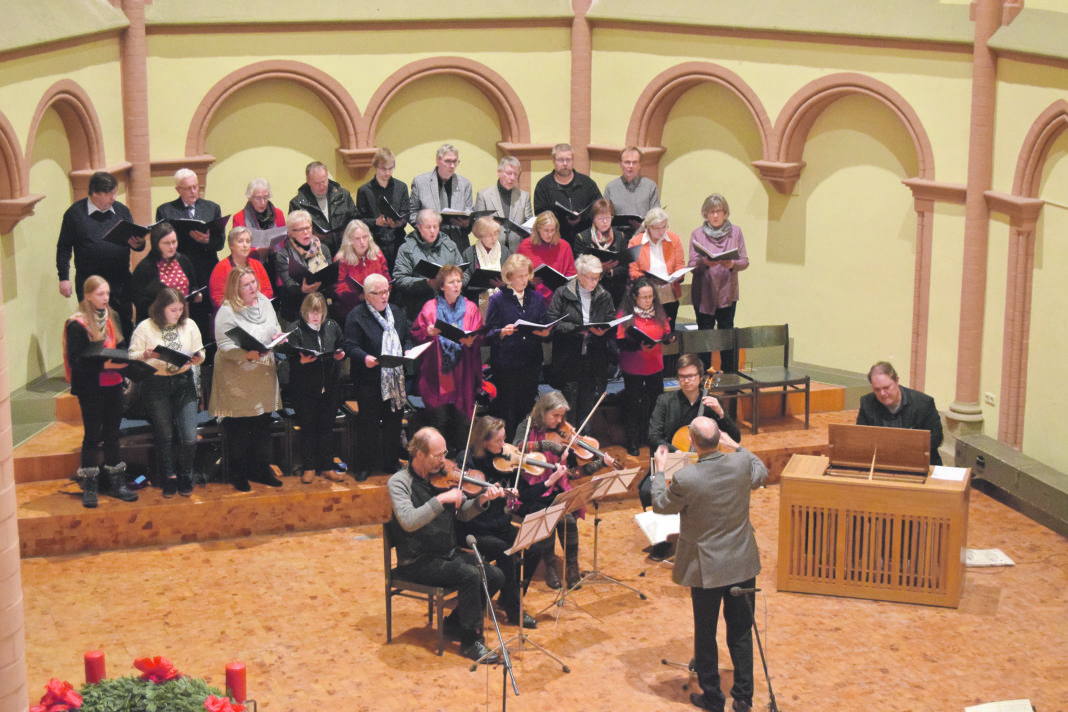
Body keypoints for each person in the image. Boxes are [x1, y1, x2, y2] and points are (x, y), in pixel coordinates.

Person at [650, 416, 768, 712]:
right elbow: (761, 470)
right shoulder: (740, 464)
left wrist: (659, 470)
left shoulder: (687, 477)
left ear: (691, 442)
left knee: (706, 632)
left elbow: (662, 505)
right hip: (741, 561)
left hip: (706, 566)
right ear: (720, 438)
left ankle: (713, 697)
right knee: (741, 631)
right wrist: (737, 446)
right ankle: (743, 698)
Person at [388, 426, 506, 663]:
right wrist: (440, 500)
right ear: (419, 454)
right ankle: (471, 643)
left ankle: (453, 623)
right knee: (471, 575)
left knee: (494, 575)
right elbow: (409, 521)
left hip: (445, 553)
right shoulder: (399, 483)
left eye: (444, 454)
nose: (444, 461)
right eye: (437, 455)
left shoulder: (442, 478)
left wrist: (481, 500)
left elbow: (462, 514)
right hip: (416, 560)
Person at [513, 391, 613, 590]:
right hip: (531, 490)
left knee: (568, 520)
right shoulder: (527, 427)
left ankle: (572, 569)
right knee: (549, 517)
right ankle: (550, 568)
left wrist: (601, 464)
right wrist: (548, 445)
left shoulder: (564, 433)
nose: (559, 421)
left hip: (557, 488)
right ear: (543, 412)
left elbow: (574, 473)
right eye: (555, 416)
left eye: (561, 417)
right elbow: (518, 448)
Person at [63, 275, 139, 507]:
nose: (106, 298)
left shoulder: (111, 316)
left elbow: (117, 348)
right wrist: (103, 365)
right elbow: (77, 361)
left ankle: (117, 484)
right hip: (92, 388)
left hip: (113, 384)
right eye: (100, 294)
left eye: (107, 293)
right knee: (93, 436)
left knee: (112, 434)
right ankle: (90, 487)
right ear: (87, 295)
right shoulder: (77, 323)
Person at [456, 416, 538, 629]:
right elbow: (462, 506)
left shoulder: (504, 459)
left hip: (498, 524)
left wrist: (512, 492)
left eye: (504, 439)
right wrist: (483, 497)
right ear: (484, 441)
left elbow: (523, 492)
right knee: (506, 551)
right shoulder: (467, 460)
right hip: (473, 528)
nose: (504, 446)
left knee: (533, 546)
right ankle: (513, 610)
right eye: (499, 441)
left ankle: (509, 596)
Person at [210, 267, 285, 492]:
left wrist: (278, 337)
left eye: (254, 282)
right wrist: (245, 354)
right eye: (247, 285)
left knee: (262, 425)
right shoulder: (227, 310)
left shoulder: (264, 301)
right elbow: (223, 345)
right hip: (238, 376)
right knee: (240, 429)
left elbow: (275, 327)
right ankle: (238, 473)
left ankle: (260, 469)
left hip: (262, 375)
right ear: (236, 288)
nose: (253, 287)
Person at [641, 353, 742, 518]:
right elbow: (653, 436)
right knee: (647, 491)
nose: (686, 381)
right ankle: (661, 539)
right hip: (671, 462)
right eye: (681, 377)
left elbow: (735, 437)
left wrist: (721, 413)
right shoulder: (665, 401)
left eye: (690, 376)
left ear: (701, 377)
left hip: (706, 465)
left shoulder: (712, 403)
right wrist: (677, 452)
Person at [128, 288, 205, 497]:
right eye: (173, 309)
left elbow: (201, 351)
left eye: (181, 309)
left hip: (183, 382)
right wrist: (145, 354)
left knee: (189, 436)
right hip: (156, 384)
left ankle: (186, 474)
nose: (178, 313)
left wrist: (198, 358)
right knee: (165, 434)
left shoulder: (189, 325)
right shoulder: (146, 327)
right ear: (161, 309)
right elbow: (131, 356)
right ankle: (170, 476)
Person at [56, 170, 145, 339]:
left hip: (120, 280)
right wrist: (64, 277)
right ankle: (100, 362)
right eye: (109, 194)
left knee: (124, 321)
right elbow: (64, 247)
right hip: (90, 280)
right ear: (95, 193)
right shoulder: (75, 214)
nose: (113, 198)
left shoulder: (121, 211)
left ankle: (125, 360)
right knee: (95, 324)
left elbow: (136, 242)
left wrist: (139, 244)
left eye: (115, 193)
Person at [343, 273, 411, 482]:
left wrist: (407, 350)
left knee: (393, 422)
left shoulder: (397, 313)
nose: (384, 296)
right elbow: (349, 345)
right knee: (368, 425)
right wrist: (365, 358)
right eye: (378, 293)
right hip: (369, 380)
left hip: (395, 379)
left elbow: (406, 336)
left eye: (386, 291)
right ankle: (365, 465)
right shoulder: (357, 316)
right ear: (366, 295)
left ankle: (390, 461)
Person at [411, 265, 484, 452]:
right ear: (442, 286)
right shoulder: (430, 308)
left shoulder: (471, 308)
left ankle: (462, 462)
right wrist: (427, 331)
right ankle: (437, 460)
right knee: (439, 420)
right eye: (451, 282)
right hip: (439, 373)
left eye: (459, 281)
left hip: (463, 370)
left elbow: (479, 335)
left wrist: (472, 340)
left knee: (463, 420)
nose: (456, 285)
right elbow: (416, 333)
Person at [484, 253, 551, 440]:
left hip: (530, 361)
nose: (523, 279)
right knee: (507, 410)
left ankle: (523, 446)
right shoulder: (497, 300)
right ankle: (505, 448)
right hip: (506, 363)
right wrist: (501, 332)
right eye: (519, 276)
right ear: (509, 277)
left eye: (526, 275)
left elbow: (545, 324)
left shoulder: (536, 298)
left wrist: (546, 333)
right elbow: (488, 334)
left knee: (526, 407)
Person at [282, 293, 347, 484]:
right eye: (312, 312)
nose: (315, 316)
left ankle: (327, 466)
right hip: (305, 389)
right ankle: (309, 467)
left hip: (330, 386)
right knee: (309, 428)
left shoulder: (332, 327)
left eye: (319, 312)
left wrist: (340, 354)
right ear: (305, 312)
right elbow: (289, 359)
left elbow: (341, 346)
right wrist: (300, 361)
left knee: (326, 427)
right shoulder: (295, 330)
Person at [547, 254, 617, 429]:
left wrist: (603, 331)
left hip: (594, 358)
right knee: (568, 406)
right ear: (579, 275)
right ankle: (567, 450)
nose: (595, 282)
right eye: (591, 278)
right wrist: (576, 329)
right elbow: (553, 323)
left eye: (597, 277)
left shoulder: (604, 295)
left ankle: (585, 449)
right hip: (569, 357)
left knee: (588, 406)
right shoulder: (563, 293)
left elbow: (611, 322)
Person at [154, 169, 224, 329]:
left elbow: (220, 243)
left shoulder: (212, 208)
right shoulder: (166, 211)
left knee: (206, 315)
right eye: (188, 188)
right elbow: (160, 242)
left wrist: (207, 240)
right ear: (178, 189)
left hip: (206, 268)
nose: (194, 192)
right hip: (180, 269)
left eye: (196, 187)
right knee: (180, 315)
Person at [688, 193, 749, 373]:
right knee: (705, 336)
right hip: (704, 292)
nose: (715, 215)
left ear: (725, 213)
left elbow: (745, 261)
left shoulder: (735, 232)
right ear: (705, 214)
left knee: (726, 335)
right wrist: (704, 263)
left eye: (719, 211)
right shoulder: (697, 234)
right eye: (711, 212)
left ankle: (730, 376)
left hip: (727, 292)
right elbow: (691, 265)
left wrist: (732, 264)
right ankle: (704, 376)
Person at [616, 278, 674, 456]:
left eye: (651, 297)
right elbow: (619, 341)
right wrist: (636, 346)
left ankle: (654, 440)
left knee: (656, 406)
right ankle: (633, 441)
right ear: (634, 297)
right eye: (644, 297)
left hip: (655, 366)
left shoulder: (658, 312)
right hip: (633, 366)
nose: (648, 300)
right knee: (633, 405)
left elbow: (666, 331)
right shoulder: (625, 314)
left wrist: (670, 338)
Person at [857, 361, 944, 465]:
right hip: (882, 463)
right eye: (877, 390)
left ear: (897, 381)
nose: (883, 394)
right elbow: (861, 439)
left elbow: (936, 438)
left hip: (918, 463)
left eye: (886, 387)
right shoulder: (867, 403)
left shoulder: (923, 403)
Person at [392, 208, 464, 320]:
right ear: (419, 227)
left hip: (450, 306)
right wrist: (426, 283)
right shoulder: (407, 248)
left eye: (435, 227)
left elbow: (463, 271)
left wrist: (455, 282)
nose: (432, 231)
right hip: (419, 308)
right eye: (428, 227)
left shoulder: (449, 245)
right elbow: (399, 279)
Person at [532, 143, 602, 247]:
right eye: (560, 160)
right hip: (554, 242)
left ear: (573, 161)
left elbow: (599, 209)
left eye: (568, 160)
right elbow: (540, 215)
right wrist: (561, 219)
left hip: (584, 242)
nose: (565, 164)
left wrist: (581, 217)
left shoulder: (587, 183)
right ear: (553, 161)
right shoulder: (544, 185)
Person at [408, 143, 474, 252]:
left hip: (457, 244)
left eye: (455, 161)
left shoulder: (465, 184)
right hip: (428, 245)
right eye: (448, 161)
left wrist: (467, 223)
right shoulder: (420, 182)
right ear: (437, 161)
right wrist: (426, 226)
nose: (452, 166)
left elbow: (470, 213)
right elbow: (412, 213)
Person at [628, 207, 687, 328]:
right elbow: (633, 270)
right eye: (657, 228)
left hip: (669, 293)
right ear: (648, 226)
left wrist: (679, 275)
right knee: (649, 331)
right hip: (646, 294)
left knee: (668, 332)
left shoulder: (674, 239)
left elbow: (680, 264)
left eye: (664, 227)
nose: (661, 232)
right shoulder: (635, 242)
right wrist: (648, 281)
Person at [130, 222, 199, 323]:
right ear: (156, 244)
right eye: (166, 243)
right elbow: (139, 301)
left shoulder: (184, 261)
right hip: (157, 323)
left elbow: (193, 285)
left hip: (184, 319)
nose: (172, 247)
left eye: (174, 242)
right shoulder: (144, 268)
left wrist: (195, 293)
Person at [354, 147, 409, 272]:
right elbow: (359, 220)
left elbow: (406, 214)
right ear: (375, 167)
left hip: (397, 242)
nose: (387, 173)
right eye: (383, 169)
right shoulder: (364, 190)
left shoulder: (401, 187)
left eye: (391, 168)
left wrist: (399, 222)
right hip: (375, 244)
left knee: (398, 280)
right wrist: (375, 222)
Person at [275, 209, 333, 325]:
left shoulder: (323, 248)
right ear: (291, 233)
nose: (306, 232)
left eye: (308, 227)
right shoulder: (284, 254)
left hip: (322, 303)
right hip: (297, 307)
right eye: (301, 229)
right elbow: (289, 284)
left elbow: (330, 274)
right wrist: (302, 289)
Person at [288, 161, 357, 254]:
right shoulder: (297, 204)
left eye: (324, 181)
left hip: (346, 250)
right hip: (317, 255)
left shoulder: (343, 196)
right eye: (317, 183)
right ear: (308, 181)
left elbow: (356, 221)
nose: (322, 186)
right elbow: (294, 236)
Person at [574, 198, 630, 307]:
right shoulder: (582, 238)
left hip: (616, 289)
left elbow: (625, 265)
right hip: (591, 289)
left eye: (608, 217)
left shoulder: (620, 236)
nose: (605, 222)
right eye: (600, 218)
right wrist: (599, 268)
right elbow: (579, 266)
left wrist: (610, 271)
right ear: (593, 219)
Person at [332, 218, 389, 324]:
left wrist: (382, 293)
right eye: (357, 239)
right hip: (353, 308)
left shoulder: (377, 254)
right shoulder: (341, 259)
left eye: (365, 237)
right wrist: (359, 297)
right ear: (349, 241)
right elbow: (339, 288)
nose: (362, 242)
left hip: (378, 304)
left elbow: (386, 278)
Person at [474, 156, 533, 251]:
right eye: (509, 173)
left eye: (515, 174)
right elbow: (478, 226)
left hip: (517, 251)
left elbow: (529, 226)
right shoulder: (484, 195)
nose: (512, 178)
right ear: (499, 173)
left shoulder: (524, 197)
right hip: (491, 249)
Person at [515, 211, 576, 302]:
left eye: (552, 230)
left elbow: (572, 275)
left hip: (559, 298)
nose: (550, 234)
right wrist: (528, 280)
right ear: (538, 229)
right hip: (531, 297)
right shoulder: (525, 246)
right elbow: (515, 275)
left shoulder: (564, 246)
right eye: (546, 231)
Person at [209, 226, 274, 310]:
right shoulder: (221, 267)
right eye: (240, 241)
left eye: (248, 241)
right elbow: (217, 298)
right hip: (232, 315)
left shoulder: (257, 264)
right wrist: (241, 305)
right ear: (231, 245)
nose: (245, 245)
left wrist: (254, 302)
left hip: (257, 310)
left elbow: (268, 291)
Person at [602, 146, 661, 233]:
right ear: (620, 164)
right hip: (617, 237)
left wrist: (641, 226)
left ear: (640, 165)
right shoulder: (611, 187)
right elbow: (604, 216)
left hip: (643, 236)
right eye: (627, 162)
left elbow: (657, 216)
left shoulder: (650, 186)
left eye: (635, 162)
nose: (631, 166)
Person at [461, 215, 511, 315]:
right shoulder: (469, 253)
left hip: (502, 298)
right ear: (479, 235)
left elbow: (511, 277)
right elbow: (465, 280)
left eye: (496, 234)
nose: (493, 238)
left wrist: (504, 284)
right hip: (476, 300)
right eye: (489, 235)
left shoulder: (505, 251)